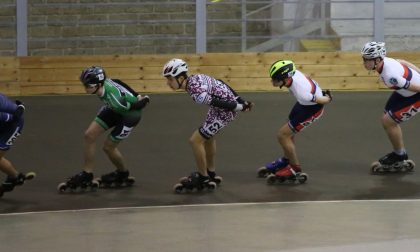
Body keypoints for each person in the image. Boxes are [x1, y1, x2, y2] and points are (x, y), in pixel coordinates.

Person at [162, 58, 253, 193]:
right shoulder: (195, 78)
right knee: (208, 138)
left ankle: (203, 177)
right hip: (219, 108)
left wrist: (239, 106)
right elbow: (220, 83)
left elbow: (219, 102)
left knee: (195, 141)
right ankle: (210, 172)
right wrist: (240, 100)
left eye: (170, 79)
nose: (168, 83)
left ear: (181, 78)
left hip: (224, 112)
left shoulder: (195, 92)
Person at [57, 66, 150, 192]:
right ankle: (87, 174)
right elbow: (118, 81)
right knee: (89, 135)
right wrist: (137, 94)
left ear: (98, 85)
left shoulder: (115, 97)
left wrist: (144, 100)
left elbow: (136, 106)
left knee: (108, 147)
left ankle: (122, 173)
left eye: (88, 86)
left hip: (130, 115)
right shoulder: (105, 83)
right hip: (114, 108)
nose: (85, 88)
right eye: (85, 85)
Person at [257, 60, 332, 184]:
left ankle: (295, 168)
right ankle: (287, 160)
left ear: (285, 79)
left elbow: (322, 100)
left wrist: (327, 97)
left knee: (283, 135)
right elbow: (307, 77)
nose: (272, 82)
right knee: (287, 130)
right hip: (304, 105)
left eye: (275, 79)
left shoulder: (302, 92)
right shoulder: (294, 74)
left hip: (312, 109)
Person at [361, 42, 420, 173]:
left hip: (415, 95)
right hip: (404, 93)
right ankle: (400, 152)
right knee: (387, 119)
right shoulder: (386, 61)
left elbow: (414, 87)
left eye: (366, 59)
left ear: (377, 60)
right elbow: (403, 62)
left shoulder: (390, 75)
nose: (364, 62)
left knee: (389, 121)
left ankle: (400, 155)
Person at [0, 95, 35, 197]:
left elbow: (14, 117)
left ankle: (14, 177)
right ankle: (15, 177)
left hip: (13, 124)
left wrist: (20, 108)